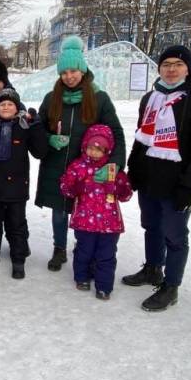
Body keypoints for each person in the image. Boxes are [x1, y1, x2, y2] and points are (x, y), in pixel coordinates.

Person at [122, 45, 191, 312]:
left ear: (188, 68)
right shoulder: (150, 99)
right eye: (166, 64)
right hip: (150, 178)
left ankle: (171, 286)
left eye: (177, 64)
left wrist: (190, 185)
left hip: (177, 183)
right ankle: (153, 268)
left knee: (175, 236)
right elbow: (141, 138)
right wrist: (133, 170)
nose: (171, 69)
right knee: (151, 226)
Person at [36, 35, 125, 272]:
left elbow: (115, 133)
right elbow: (38, 127)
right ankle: (59, 248)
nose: (69, 76)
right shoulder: (51, 98)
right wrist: (49, 138)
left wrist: (114, 165)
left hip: (89, 170)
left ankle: (83, 247)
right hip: (56, 165)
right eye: (64, 72)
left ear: (83, 70)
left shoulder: (99, 99)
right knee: (58, 211)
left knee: (87, 210)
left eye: (73, 71)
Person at [0, 88, 48, 279]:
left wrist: (37, 125)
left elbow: (40, 151)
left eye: (10, 104)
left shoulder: (24, 126)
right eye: (2, 104)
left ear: (17, 107)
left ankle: (18, 258)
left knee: (16, 225)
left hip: (17, 187)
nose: (6, 107)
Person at [59, 124, 133, 299]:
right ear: (85, 147)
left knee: (106, 256)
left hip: (110, 224)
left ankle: (104, 286)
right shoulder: (77, 166)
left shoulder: (113, 170)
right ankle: (82, 277)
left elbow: (126, 194)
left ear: (107, 150)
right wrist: (79, 185)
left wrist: (116, 186)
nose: (94, 152)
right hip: (84, 221)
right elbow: (65, 188)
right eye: (91, 148)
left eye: (99, 149)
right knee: (84, 251)